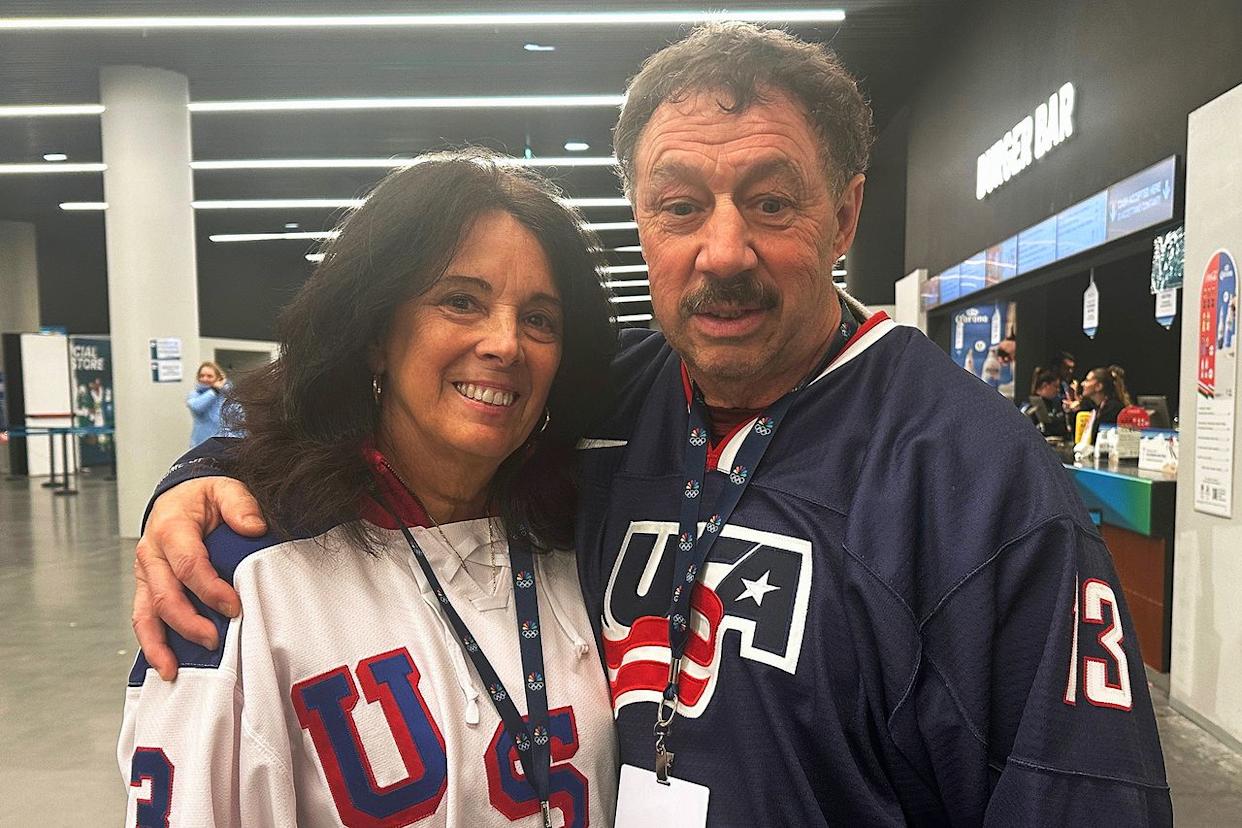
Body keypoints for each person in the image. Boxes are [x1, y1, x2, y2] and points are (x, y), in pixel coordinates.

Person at [130, 23, 1170, 826]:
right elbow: (394, 429)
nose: (722, 250)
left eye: (770, 202)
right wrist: (207, 476)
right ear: (642, 218)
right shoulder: (594, 398)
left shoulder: (981, 485)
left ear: (846, 215)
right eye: (680, 205)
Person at [119, 154, 622, 825]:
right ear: (376, 334)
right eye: (461, 301)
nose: (505, 343)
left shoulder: (583, 541)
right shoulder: (247, 578)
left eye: (540, 319)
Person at [186, 361, 232, 447]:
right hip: (200, 445)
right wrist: (214, 391)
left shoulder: (228, 396)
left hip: (223, 445)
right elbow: (196, 407)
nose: (205, 379)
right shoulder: (195, 394)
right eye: (202, 376)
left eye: (209, 376)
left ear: (218, 378)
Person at [1029, 368, 1070, 438]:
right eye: (1055, 386)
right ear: (1045, 385)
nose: (1058, 390)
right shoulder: (1030, 406)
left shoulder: (1058, 403)